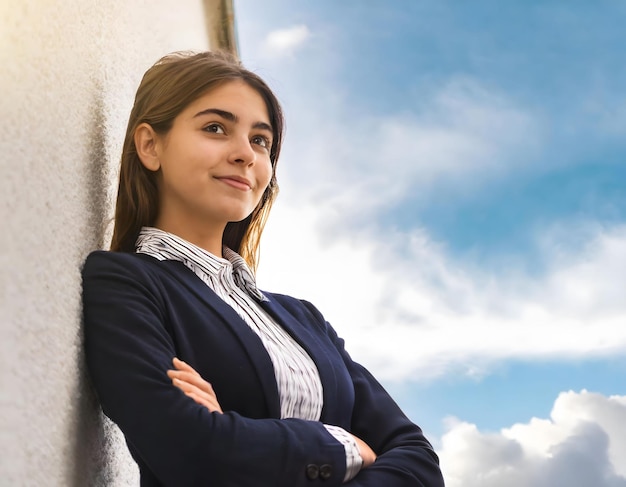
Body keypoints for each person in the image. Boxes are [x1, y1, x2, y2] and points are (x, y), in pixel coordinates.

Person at [82, 50, 445, 487]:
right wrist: (344, 446)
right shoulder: (126, 284)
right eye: (215, 128)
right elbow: (193, 449)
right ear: (150, 145)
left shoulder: (306, 319)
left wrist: (242, 434)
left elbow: (419, 462)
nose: (245, 155)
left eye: (260, 141)